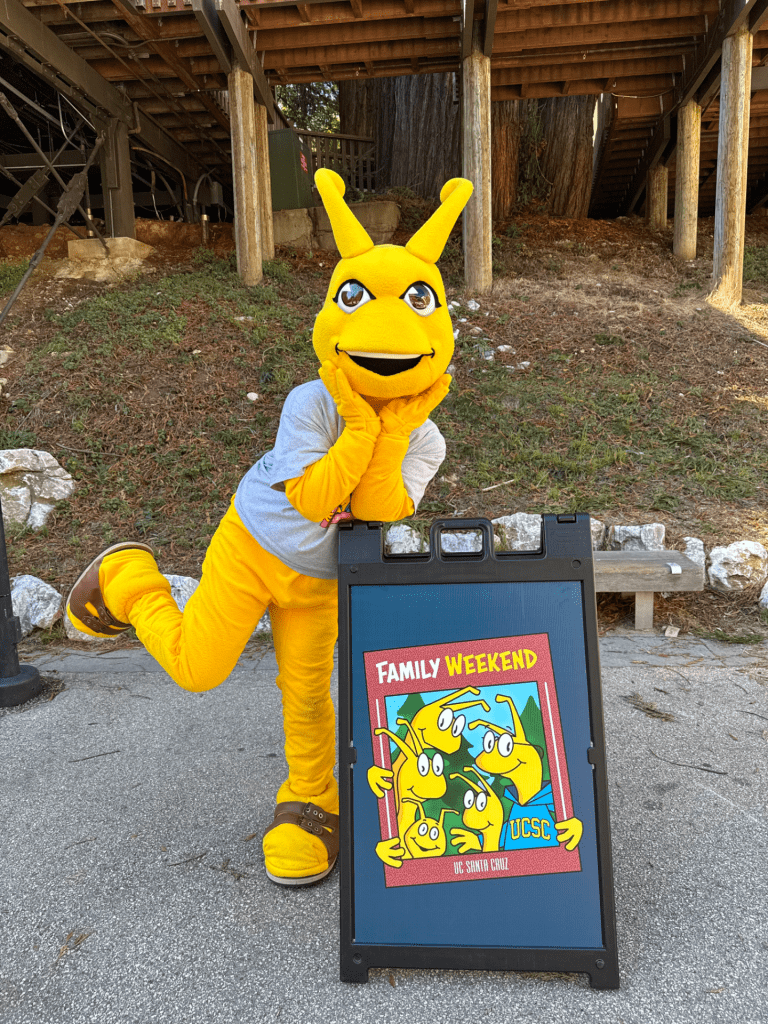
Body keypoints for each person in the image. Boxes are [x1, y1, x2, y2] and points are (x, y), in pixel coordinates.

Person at [66, 168, 474, 886]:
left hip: (320, 583)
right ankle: (129, 579)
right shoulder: (311, 403)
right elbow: (318, 500)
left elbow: (375, 511)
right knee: (198, 670)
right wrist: (357, 421)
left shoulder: (427, 439)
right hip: (253, 547)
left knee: (310, 697)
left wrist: (394, 429)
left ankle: (309, 807)